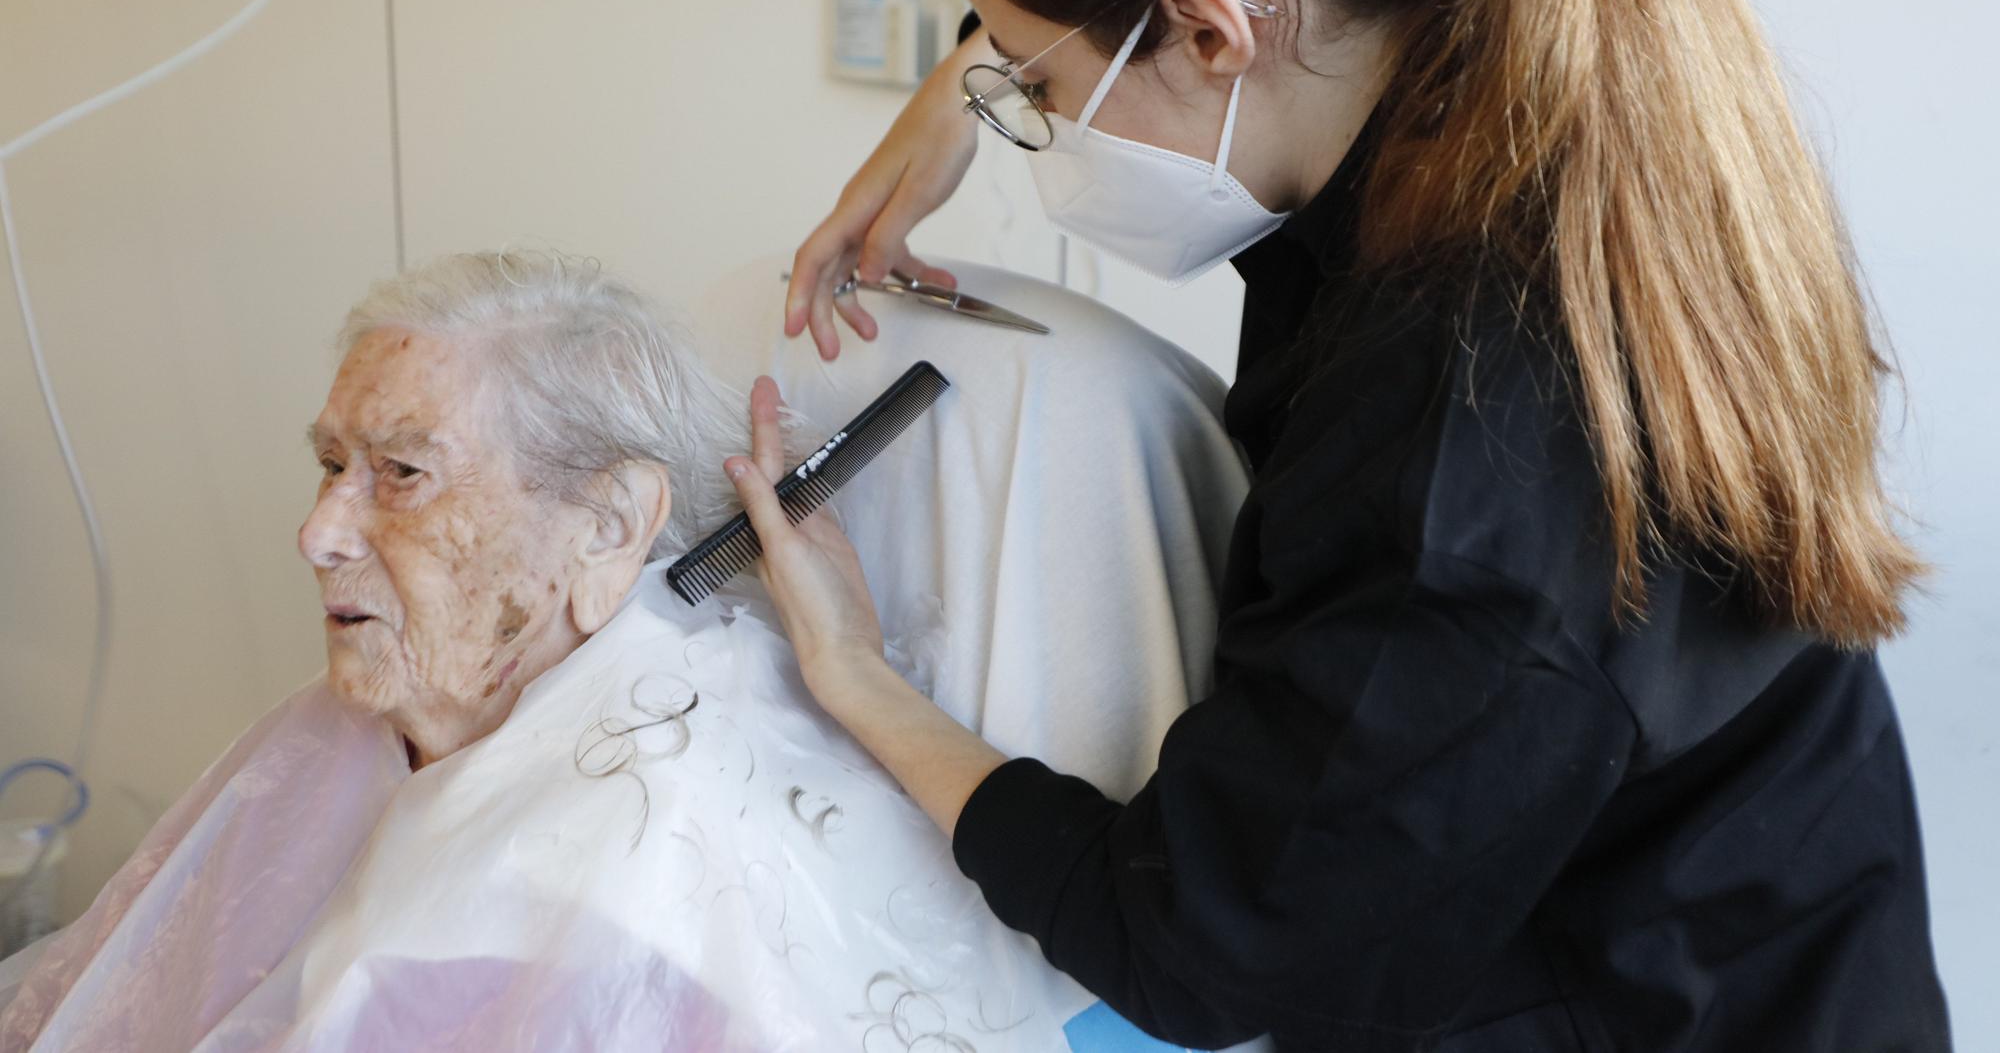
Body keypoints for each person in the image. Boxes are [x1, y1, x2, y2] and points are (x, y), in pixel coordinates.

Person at [738, 0, 1953, 1049]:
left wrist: (859, 676)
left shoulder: (1462, 437)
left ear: (1208, 26)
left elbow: (1202, 949)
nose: (1027, 125)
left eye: (1034, 88)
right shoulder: (1497, 70)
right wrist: (967, 78)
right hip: (1775, 891)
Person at [2, 250, 1256, 1051]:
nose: (318, 532)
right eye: (331, 463)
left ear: (609, 525)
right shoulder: (378, 705)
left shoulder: (645, 836)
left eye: (400, 474)